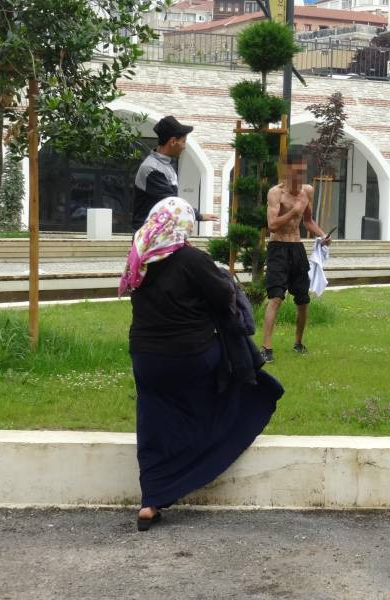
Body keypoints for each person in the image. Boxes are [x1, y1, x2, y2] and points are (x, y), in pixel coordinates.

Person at [120, 197, 283, 532]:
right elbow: (224, 297)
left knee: (152, 422)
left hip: (146, 359)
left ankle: (150, 501)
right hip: (190, 357)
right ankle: (198, 465)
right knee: (235, 389)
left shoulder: (139, 259)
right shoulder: (192, 259)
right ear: (182, 226)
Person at [259, 152, 331, 363]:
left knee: (303, 300)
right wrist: (293, 212)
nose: (300, 177)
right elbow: (272, 225)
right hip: (277, 247)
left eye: (303, 171)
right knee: (276, 297)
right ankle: (266, 347)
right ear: (287, 171)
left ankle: (298, 343)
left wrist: (322, 235)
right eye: (296, 171)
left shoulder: (307, 191)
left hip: (297, 247)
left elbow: (308, 221)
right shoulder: (275, 194)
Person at [133, 116, 219, 229]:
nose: (184, 147)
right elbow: (171, 202)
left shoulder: (166, 165)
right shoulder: (151, 168)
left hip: (160, 233)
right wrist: (199, 215)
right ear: (173, 141)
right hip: (147, 238)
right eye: (183, 141)